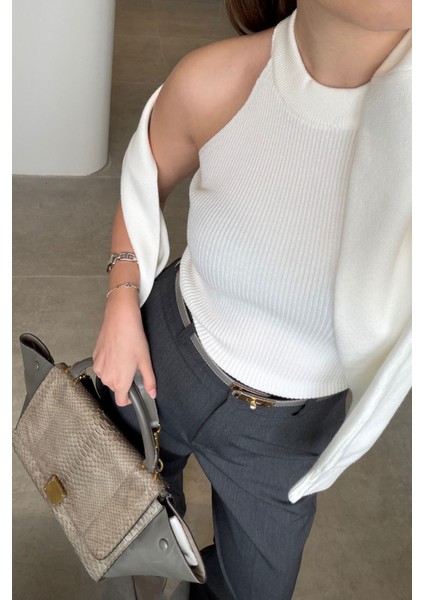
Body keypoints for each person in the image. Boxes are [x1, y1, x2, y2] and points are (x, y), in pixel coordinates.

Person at [93, 1, 412, 598]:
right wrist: (120, 299)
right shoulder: (215, 81)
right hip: (166, 352)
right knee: (122, 517)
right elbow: (144, 183)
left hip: (289, 433)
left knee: (255, 588)